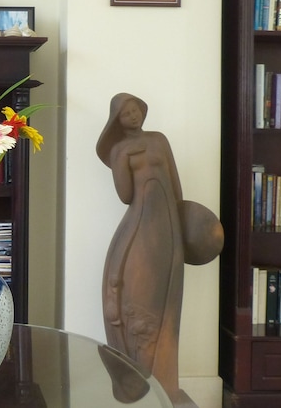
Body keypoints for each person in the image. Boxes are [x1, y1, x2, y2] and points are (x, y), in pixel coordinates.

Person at [96, 93, 186, 394]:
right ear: (117, 122)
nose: (133, 116)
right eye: (126, 114)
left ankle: (167, 383)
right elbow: (125, 196)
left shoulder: (159, 140)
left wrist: (182, 223)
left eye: (135, 110)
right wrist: (121, 160)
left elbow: (175, 183)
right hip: (138, 226)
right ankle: (136, 380)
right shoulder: (119, 150)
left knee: (170, 293)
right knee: (135, 291)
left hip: (168, 224)